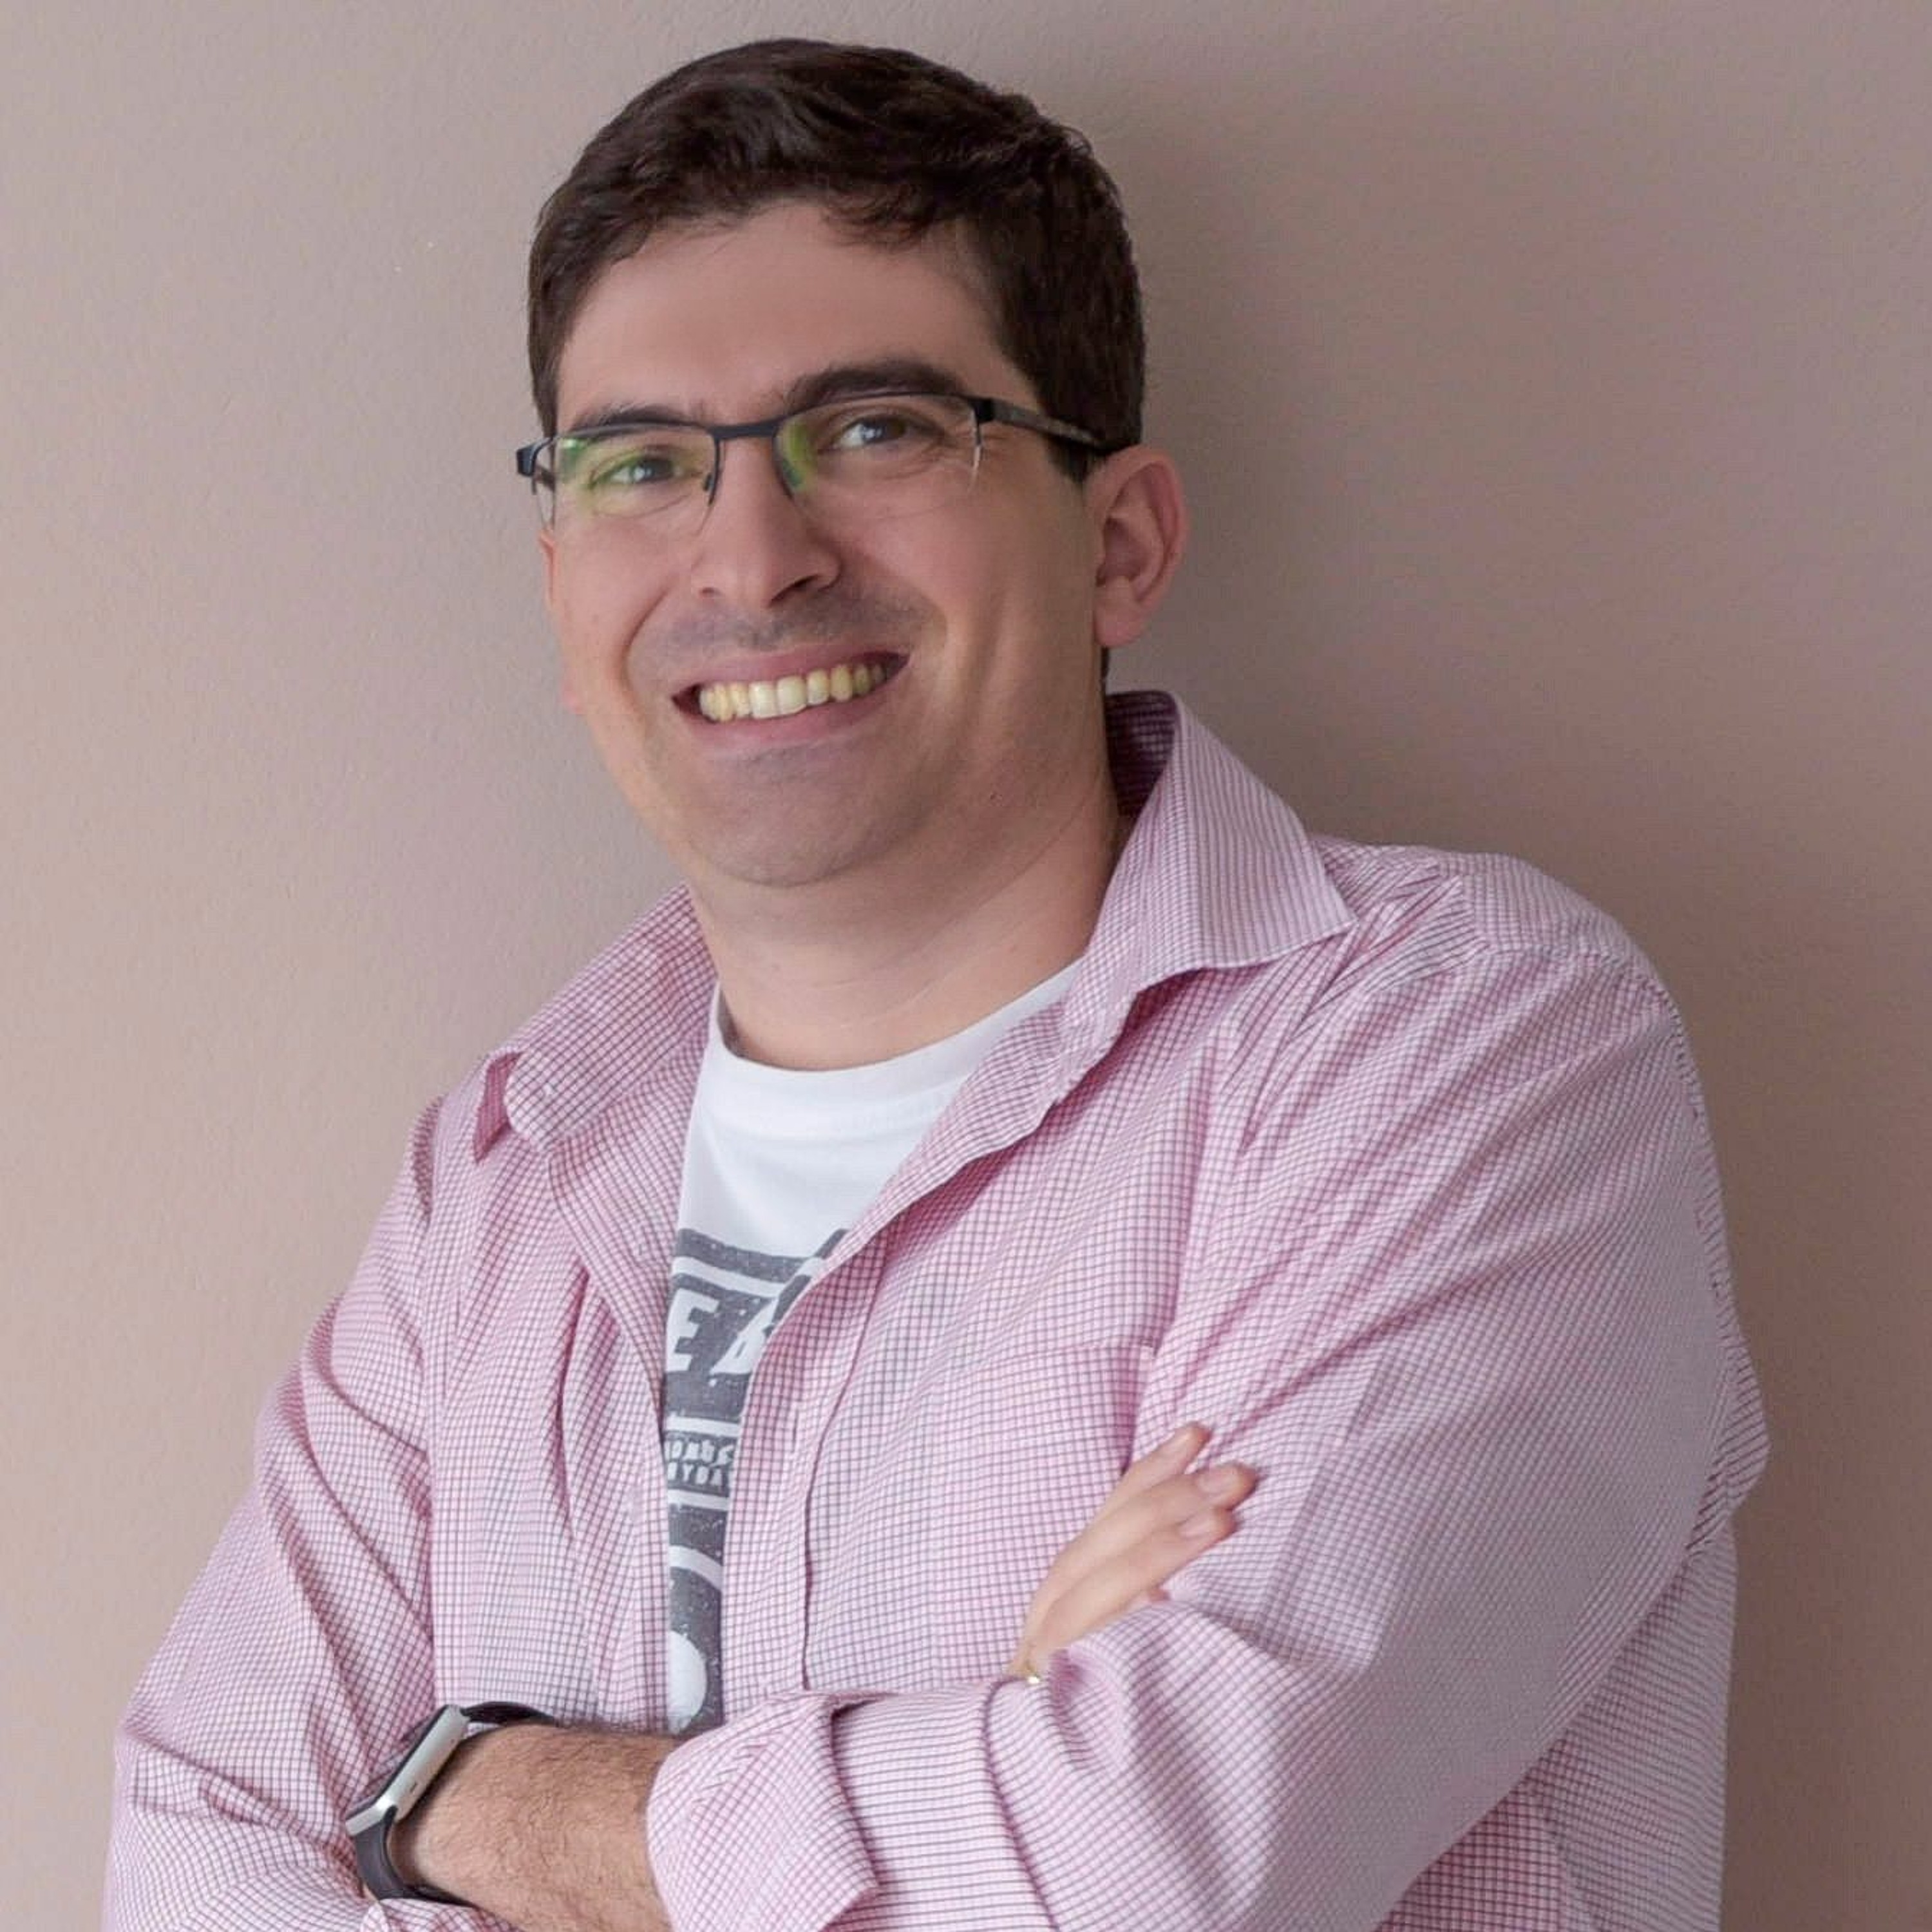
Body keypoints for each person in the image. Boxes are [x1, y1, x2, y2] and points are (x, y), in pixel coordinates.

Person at [104, 36, 1766, 1932]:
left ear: (1119, 543)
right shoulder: (497, 1185)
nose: (752, 558)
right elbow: (187, 1854)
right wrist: (991, 1760)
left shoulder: (1470, 1047)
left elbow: (1138, 1863)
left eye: (879, 429)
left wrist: (459, 1803)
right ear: (561, 587)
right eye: (641, 465)